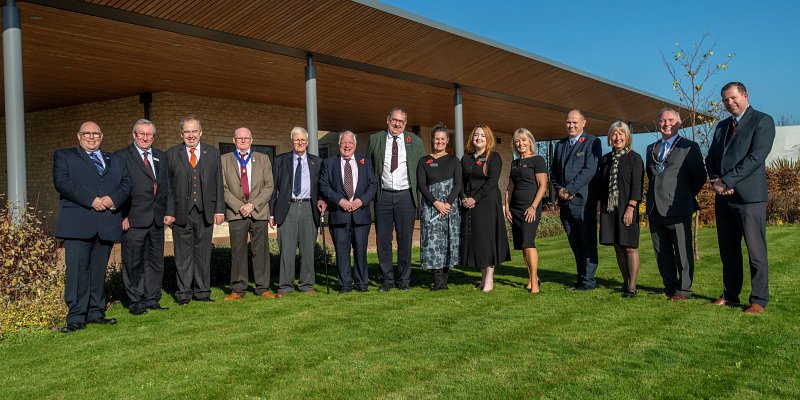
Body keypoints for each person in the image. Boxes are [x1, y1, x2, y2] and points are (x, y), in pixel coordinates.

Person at [54, 121, 132, 332]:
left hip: (105, 223)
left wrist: (110, 199)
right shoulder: (65, 156)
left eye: (95, 134)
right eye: (87, 134)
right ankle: (76, 316)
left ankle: (96, 312)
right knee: (77, 271)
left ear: (102, 136)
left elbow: (126, 184)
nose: (91, 137)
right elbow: (63, 183)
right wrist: (92, 200)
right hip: (78, 224)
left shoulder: (114, 159)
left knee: (98, 271)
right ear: (79, 136)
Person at [705, 82, 775, 314]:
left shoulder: (762, 121)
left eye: (733, 98)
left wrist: (728, 181)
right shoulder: (721, 126)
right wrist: (716, 180)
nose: (729, 103)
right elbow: (711, 157)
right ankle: (731, 295)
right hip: (723, 198)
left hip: (750, 198)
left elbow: (755, 157)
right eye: (725, 100)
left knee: (756, 252)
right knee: (728, 250)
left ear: (745, 96)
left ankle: (758, 299)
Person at [645, 108, 706, 301]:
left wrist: (684, 195)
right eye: (663, 121)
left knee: (682, 251)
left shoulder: (689, 146)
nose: (667, 124)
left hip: (678, 207)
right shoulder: (651, 148)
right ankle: (669, 285)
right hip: (655, 208)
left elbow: (699, 176)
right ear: (658, 123)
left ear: (679, 124)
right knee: (661, 251)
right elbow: (651, 176)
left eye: (671, 120)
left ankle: (684, 289)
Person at [115, 119, 174, 315]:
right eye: (141, 134)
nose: (145, 137)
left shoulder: (160, 156)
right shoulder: (122, 156)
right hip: (133, 219)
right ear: (134, 135)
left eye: (149, 134)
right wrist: (122, 215)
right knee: (133, 262)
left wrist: (169, 211)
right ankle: (136, 301)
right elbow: (118, 189)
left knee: (155, 261)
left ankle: (152, 298)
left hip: (157, 219)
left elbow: (167, 187)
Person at [165, 116, 225, 305]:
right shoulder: (171, 154)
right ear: (181, 134)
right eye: (187, 132)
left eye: (194, 131)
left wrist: (219, 210)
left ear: (201, 132)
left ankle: (203, 292)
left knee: (203, 254)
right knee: (182, 256)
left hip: (205, 211)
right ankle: (183, 294)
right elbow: (167, 188)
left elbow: (218, 183)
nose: (191, 135)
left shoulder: (213, 153)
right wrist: (169, 212)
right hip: (181, 212)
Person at [366, 108, 424, 291]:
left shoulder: (415, 141)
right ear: (387, 119)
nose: (397, 124)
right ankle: (387, 280)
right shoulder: (375, 139)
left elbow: (422, 171)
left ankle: (404, 280)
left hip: (406, 196)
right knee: (383, 240)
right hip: (383, 196)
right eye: (394, 120)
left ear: (405, 124)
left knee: (405, 239)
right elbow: (369, 168)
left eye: (401, 121)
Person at [269, 127, 327, 297]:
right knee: (286, 249)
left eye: (303, 140)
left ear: (307, 142)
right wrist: (271, 214)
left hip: (309, 208)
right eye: (297, 140)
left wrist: (322, 200)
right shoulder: (280, 161)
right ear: (292, 141)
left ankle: (306, 285)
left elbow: (322, 186)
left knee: (308, 249)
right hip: (288, 208)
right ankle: (285, 286)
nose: (300, 143)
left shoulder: (317, 162)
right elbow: (273, 189)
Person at [550, 109, 602, 290]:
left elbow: (590, 169)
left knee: (587, 241)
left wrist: (570, 189)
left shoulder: (592, 142)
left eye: (575, 122)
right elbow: (554, 172)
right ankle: (580, 278)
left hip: (583, 201)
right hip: (565, 202)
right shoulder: (560, 145)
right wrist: (560, 190)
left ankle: (589, 280)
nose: (571, 125)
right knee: (574, 242)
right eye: (568, 122)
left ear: (583, 123)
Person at [320, 131, 377, 293]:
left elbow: (373, 185)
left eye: (350, 143)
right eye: (344, 143)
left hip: (361, 215)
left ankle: (361, 283)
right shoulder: (329, 163)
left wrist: (361, 201)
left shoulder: (365, 162)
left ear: (355, 145)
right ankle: (345, 284)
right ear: (339, 145)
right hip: (339, 214)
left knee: (360, 250)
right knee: (342, 251)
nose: (347, 146)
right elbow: (324, 186)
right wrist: (340, 201)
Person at [221, 127, 274, 300]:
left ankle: (262, 287)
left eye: (246, 138)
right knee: (238, 251)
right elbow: (222, 188)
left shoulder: (263, 159)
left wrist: (253, 205)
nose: (243, 141)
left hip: (258, 211)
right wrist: (240, 206)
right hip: (237, 213)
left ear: (251, 140)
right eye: (239, 138)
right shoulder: (224, 160)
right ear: (234, 140)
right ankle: (238, 289)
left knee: (261, 251)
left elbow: (269, 186)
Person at [461, 125, 510, 292]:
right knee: (477, 241)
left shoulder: (494, 157)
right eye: (476, 135)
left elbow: (491, 182)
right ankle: (483, 278)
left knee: (487, 240)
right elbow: (461, 182)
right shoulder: (466, 158)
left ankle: (489, 278)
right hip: (470, 205)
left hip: (487, 203)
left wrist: (475, 198)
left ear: (488, 138)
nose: (479, 138)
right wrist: (464, 198)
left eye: (482, 135)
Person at [597, 122, 644, 298]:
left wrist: (631, 208)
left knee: (630, 246)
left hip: (627, 207)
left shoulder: (635, 158)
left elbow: (637, 187)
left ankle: (632, 285)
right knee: (617, 246)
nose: (618, 137)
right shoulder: (605, 159)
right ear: (610, 138)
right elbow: (601, 187)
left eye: (621, 134)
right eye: (614, 134)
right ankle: (625, 282)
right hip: (610, 209)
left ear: (627, 137)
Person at [417, 123, 462, 291]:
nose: (440, 142)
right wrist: (436, 203)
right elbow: (421, 185)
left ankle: (445, 279)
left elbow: (458, 184)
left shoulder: (454, 161)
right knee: (433, 241)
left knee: (448, 240)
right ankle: (437, 281)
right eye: (437, 139)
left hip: (450, 208)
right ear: (432, 140)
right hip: (431, 207)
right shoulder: (424, 161)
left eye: (443, 139)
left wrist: (448, 204)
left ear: (447, 140)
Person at [504, 128, 548, 294]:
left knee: (529, 242)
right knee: (523, 245)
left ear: (530, 141)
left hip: (530, 208)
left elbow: (543, 186)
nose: (520, 143)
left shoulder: (538, 160)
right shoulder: (514, 163)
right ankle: (531, 278)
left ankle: (535, 283)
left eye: (523, 140)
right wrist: (507, 206)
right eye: (517, 141)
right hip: (515, 208)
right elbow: (510, 186)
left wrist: (533, 206)